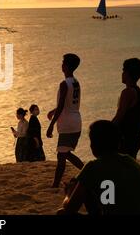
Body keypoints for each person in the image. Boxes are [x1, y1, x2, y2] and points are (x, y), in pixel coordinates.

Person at [58, 120, 140, 215]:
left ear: (93, 145)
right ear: (118, 143)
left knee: (61, 213)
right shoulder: (130, 161)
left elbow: (70, 209)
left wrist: (69, 193)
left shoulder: (93, 167)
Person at [46, 53, 84, 188]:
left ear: (66, 66)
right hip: (76, 121)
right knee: (66, 153)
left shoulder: (64, 84)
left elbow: (62, 106)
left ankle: (55, 185)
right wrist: (53, 111)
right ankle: (85, 170)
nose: (61, 65)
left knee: (61, 157)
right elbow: (68, 103)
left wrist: (51, 125)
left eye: (63, 63)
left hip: (67, 124)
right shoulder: (76, 82)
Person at [113, 58, 140, 159]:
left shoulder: (127, 92)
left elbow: (119, 116)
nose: (122, 73)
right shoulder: (139, 92)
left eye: (123, 71)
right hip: (134, 138)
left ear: (127, 73)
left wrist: (107, 130)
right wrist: (136, 134)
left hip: (124, 139)